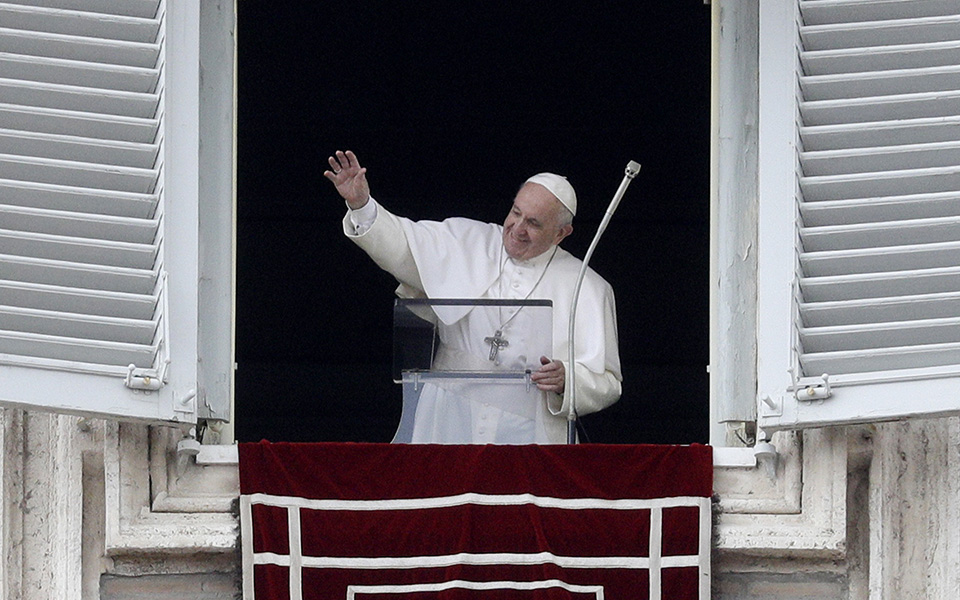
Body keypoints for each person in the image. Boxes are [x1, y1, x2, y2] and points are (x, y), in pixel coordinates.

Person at [325, 150, 621, 444]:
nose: (517, 229)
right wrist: (361, 205)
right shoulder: (467, 240)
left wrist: (567, 380)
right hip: (447, 411)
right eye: (516, 213)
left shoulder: (588, 287)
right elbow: (403, 244)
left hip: (528, 429)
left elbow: (607, 382)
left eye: (533, 223)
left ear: (561, 234)